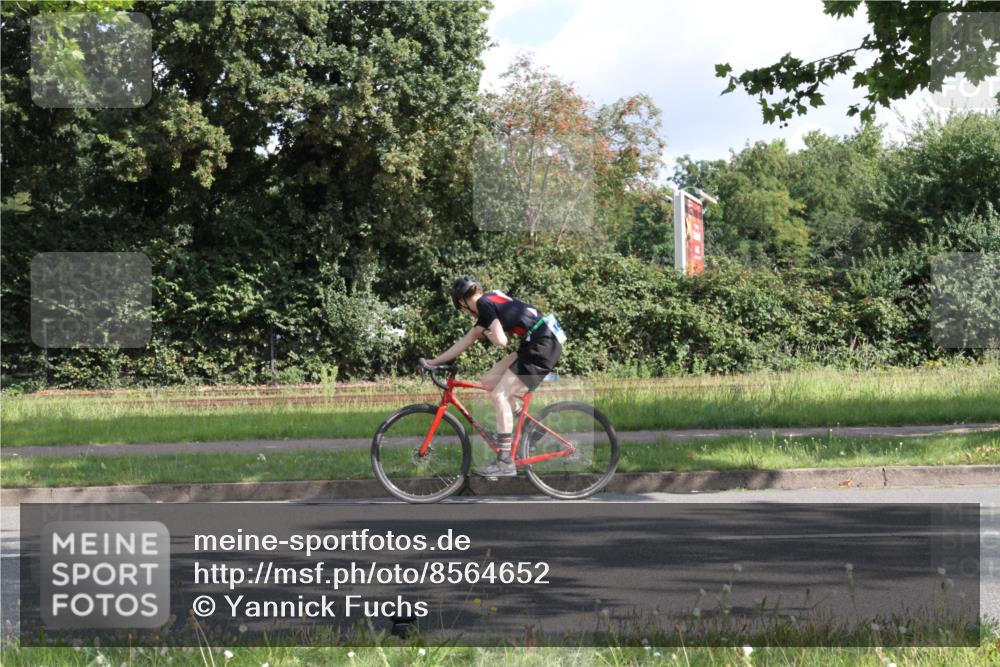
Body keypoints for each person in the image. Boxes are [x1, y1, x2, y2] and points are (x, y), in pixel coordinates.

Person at [423, 275, 562, 477]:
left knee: (500, 395)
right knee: (489, 382)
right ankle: (532, 431)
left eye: (461, 307)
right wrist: (433, 362)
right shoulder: (489, 300)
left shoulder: (483, 303)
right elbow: (466, 340)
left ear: (462, 301)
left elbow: (501, 340)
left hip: (542, 345)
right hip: (536, 341)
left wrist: (487, 332)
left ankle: (505, 461)